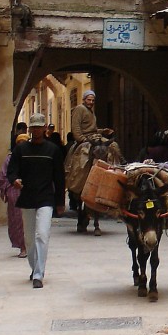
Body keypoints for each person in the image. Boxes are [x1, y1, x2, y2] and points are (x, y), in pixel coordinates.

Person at [7, 112, 66, 289]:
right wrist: (14, 180)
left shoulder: (52, 151)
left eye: (39, 127)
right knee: (30, 239)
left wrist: (60, 202)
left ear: (44, 128)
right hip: (27, 198)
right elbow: (12, 170)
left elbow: (59, 177)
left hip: (46, 198)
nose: (36, 130)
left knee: (42, 235)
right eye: (34, 127)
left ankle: (39, 274)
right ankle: (34, 268)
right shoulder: (21, 150)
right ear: (30, 129)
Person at [69, 89, 115, 236]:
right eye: (89, 99)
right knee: (82, 159)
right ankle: (79, 181)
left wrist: (102, 131)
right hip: (85, 141)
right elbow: (77, 130)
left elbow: (92, 129)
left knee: (113, 147)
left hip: (95, 137)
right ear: (83, 100)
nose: (91, 102)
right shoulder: (79, 109)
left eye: (93, 100)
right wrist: (84, 140)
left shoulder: (90, 111)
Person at [0, 133, 29, 257]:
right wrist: (8, 188)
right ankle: (22, 246)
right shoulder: (10, 159)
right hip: (15, 193)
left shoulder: (31, 156)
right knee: (17, 220)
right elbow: (3, 176)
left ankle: (31, 245)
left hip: (30, 192)